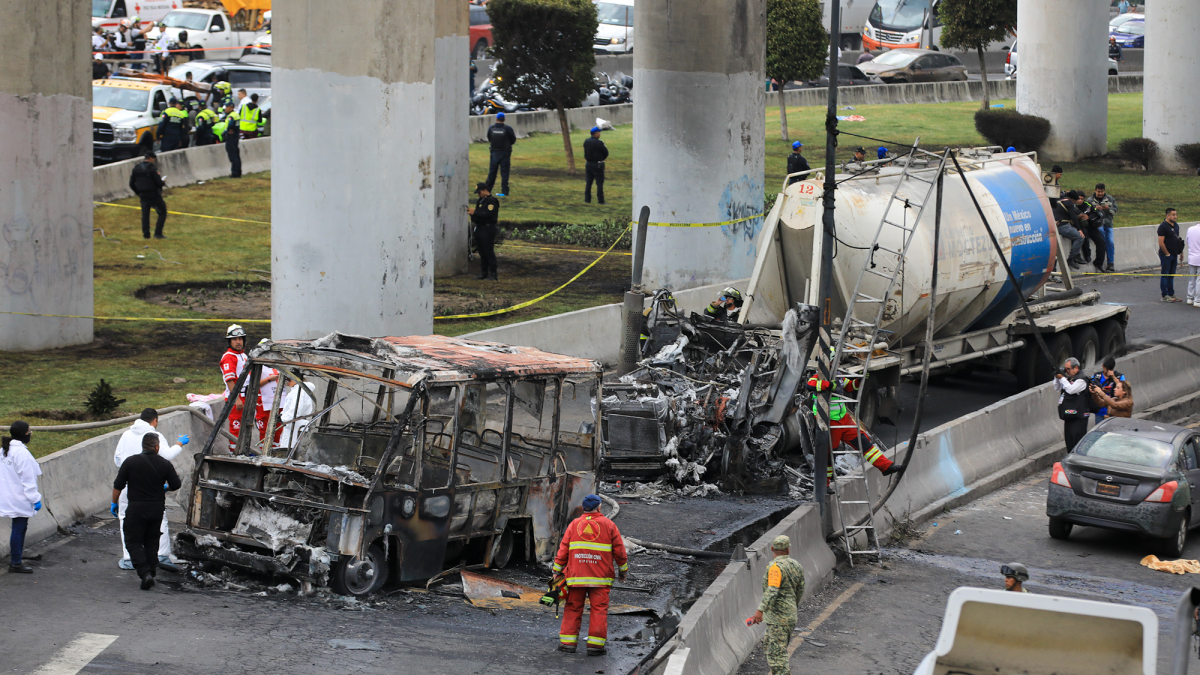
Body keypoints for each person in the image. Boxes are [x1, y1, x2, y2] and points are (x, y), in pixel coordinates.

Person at [553, 494, 628, 656]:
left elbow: (563, 549)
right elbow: (620, 552)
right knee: (599, 610)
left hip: (576, 577)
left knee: (572, 608)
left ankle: (567, 644)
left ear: (583, 508)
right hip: (600, 579)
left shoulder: (574, 525)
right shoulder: (609, 525)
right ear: (599, 508)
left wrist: (556, 571)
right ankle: (595, 646)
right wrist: (623, 571)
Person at [114, 409, 187, 571]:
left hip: (130, 488)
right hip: (152, 488)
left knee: (126, 522)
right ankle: (160, 555)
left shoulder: (126, 435)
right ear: (154, 420)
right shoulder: (155, 436)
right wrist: (180, 444)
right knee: (159, 521)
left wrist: (114, 501)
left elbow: (117, 459)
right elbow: (166, 456)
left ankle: (129, 558)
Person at [112, 433, 181, 590]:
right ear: (157, 447)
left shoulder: (130, 462)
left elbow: (118, 485)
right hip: (156, 508)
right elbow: (176, 484)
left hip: (136, 508)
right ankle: (151, 571)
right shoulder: (165, 463)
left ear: (143, 446)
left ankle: (145, 573)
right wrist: (166, 488)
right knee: (151, 540)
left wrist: (113, 503)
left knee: (132, 540)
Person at [807, 372, 903, 482]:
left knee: (863, 442)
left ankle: (885, 467)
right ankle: (825, 484)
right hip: (830, 422)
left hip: (843, 419)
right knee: (829, 454)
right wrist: (828, 385)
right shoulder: (818, 376)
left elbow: (849, 387)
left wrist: (858, 380)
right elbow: (810, 385)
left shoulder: (838, 375)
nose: (839, 363)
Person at [747, 535, 806, 675]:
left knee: (777, 657)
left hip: (778, 619)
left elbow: (771, 591)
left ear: (772, 548)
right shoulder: (796, 565)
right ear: (788, 549)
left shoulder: (775, 568)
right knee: (770, 645)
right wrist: (792, 606)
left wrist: (759, 612)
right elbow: (800, 588)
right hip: (789, 615)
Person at [1, 422, 42, 575]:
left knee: (18, 528)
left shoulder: (5, 450)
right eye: (29, 431)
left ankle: (16, 556)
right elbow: (28, 480)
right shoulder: (22, 454)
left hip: (8, 496)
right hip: (19, 498)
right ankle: (16, 562)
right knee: (19, 529)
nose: (30, 433)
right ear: (24, 434)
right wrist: (35, 499)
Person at [220, 324, 252, 452]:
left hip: (246, 396)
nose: (238, 342)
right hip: (237, 398)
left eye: (240, 339)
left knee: (245, 427)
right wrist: (237, 398)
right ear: (229, 341)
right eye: (235, 339)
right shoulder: (229, 357)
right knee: (236, 428)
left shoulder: (243, 356)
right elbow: (230, 380)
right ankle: (234, 453)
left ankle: (243, 451)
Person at [129, 152, 168, 239]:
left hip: (143, 194)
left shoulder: (136, 168)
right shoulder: (152, 169)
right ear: (151, 158)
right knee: (162, 212)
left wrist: (138, 192)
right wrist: (163, 182)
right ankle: (158, 233)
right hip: (153, 194)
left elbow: (131, 183)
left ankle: (146, 235)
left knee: (145, 215)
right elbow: (159, 183)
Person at [1055, 357, 1089, 452]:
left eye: (1068, 369)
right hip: (1069, 416)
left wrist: (1062, 378)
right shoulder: (1068, 379)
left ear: (1076, 368)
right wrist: (1057, 378)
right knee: (1069, 444)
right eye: (1065, 369)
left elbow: (1071, 390)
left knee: (1077, 445)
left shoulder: (1081, 379)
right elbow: (1057, 388)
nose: (1067, 372)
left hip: (1079, 418)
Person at [468, 183, 500, 281]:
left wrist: (475, 212)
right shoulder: (480, 201)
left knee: (488, 251)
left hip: (488, 228)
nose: (478, 194)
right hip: (480, 228)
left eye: (480, 192)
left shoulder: (491, 201)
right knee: (482, 251)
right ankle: (484, 273)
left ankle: (493, 274)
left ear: (485, 190)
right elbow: (478, 216)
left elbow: (488, 214)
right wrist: (472, 215)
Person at [1086, 184, 1118, 273]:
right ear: (1095, 191)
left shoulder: (1110, 199)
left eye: (1102, 191)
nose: (1100, 193)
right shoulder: (1090, 200)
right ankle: (1101, 261)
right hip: (1097, 224)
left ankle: (1110, 263)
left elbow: (1115, 210)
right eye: (1098, 191)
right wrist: (1096, 209)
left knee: (1110, 242)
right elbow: (1087, 212)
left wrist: (1107, 208)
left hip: (1108, 223)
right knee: (1102, 239)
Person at [278, 379, 316, 449]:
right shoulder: (299, 390)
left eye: (289, 379)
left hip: (295, 426)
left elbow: (296, 409)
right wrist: (282, 414)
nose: (287, 382)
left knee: (290, 450)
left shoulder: (298, 391)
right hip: (295, 424)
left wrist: (283, 418)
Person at [485, 112, 517, 197]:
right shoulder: (508, 129)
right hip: (505, 153)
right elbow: (513, 139)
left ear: (496, 119)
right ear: (504, 119)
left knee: (492, 172)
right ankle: (504, 191)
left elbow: (489, 138)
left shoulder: (491, 128)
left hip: (494, 152)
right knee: (504, 172)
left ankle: (488, 190)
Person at [1053, 191, 1086, 270]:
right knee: (1080, 237)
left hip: (1056, 225)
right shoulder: (1069, 203)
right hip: (1063, 226)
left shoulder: (1060, 201)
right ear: (1072, 199)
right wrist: (1079, 229)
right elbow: (1074, 217)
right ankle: (1072, 258)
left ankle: (1076, 255)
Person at [1089, 356, 1126, 422]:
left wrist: (1113, 377)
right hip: (1100, 411)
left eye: (1110, 369)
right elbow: (1091, 386)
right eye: (1107, 369)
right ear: (1103, 366)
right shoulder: (1097, 376)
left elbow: (1124, 388)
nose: (1108, 371)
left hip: (1114, 411)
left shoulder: (1119, 376)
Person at [1158, 208, 1184, 302]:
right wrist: (1167, 254)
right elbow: (1161, 242)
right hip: (1166, 255)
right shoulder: (1163, 226)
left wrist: (1181, 252)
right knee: (1165, 274)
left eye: (1176, 214)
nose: (1175, 216)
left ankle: (1171, 293)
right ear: (1168, 215)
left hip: (1174, 254)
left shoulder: (1176, 226)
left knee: (1171, 274)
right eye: (1173, 215)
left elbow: (1178, 240)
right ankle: (1164, 295)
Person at [583, 126, 608, 204]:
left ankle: (587, 199)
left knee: (588, 182)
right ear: (596, 133)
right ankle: (600, 200)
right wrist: (601, 158)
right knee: (599, 183)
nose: (599, 134)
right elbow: (605, 152)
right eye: (599, 132)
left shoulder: (586, 141)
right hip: (597, 164)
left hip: (588, 164)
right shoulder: (599, 143)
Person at [216, 102, 242, 178]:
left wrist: (226, 132)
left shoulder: (231, 116)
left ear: (231, 107)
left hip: (231, 137)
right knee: (236, 155)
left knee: (233, 156)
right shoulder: (236, 115)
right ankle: (238, 172)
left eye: (226, 107)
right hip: (235, 137)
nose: (225, 109)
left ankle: (235, 173)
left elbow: (230, 125)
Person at [1186, 222, 1200, 308]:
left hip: (1192, 257)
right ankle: (1197, 300)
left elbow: (1188, 242)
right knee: (1199, 280)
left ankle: (1189, 298)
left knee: (1192, 279)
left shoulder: (1190, 229)